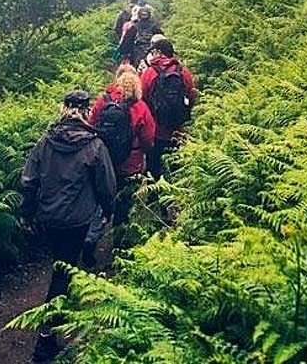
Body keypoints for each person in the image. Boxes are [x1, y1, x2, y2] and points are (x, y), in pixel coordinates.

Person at [20, 89, 117, 361]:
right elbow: (106, 185)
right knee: (63, 273)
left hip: (48, 218)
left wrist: (26, 213)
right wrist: (108, 211)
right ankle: (45, 338)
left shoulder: (45, 141)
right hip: (77, 220)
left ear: (63, 108)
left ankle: (55, 321)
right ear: (87, 111)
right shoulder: (94, 146)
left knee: (60, 266)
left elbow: (29, 179)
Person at [85, 66, 156, 258]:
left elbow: (90, 126)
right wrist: (142, 153)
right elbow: (148, 139)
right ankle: (118, 246)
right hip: (130, 165)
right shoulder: (140, 107)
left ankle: (91, 237)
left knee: (100, 201)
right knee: (123, 205)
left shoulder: (103, 101)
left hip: (103, 162)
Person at [140, 38, 197, 180]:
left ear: (159, 52)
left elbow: (142, 100)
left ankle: (155, 190)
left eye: (154, 52)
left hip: (156, 130)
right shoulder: (183, 72)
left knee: (154, 168)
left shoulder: (150, 73)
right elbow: (192, 95)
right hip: (178, 129)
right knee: (175, 168)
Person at [117, 4, 162, 69]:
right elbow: (162, 42)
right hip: (153, 57)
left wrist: (124, 53)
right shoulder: (155, 28)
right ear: (149, 16)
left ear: (138, 16)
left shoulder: (133, 28)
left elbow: (125, 44)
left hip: (136, 57)